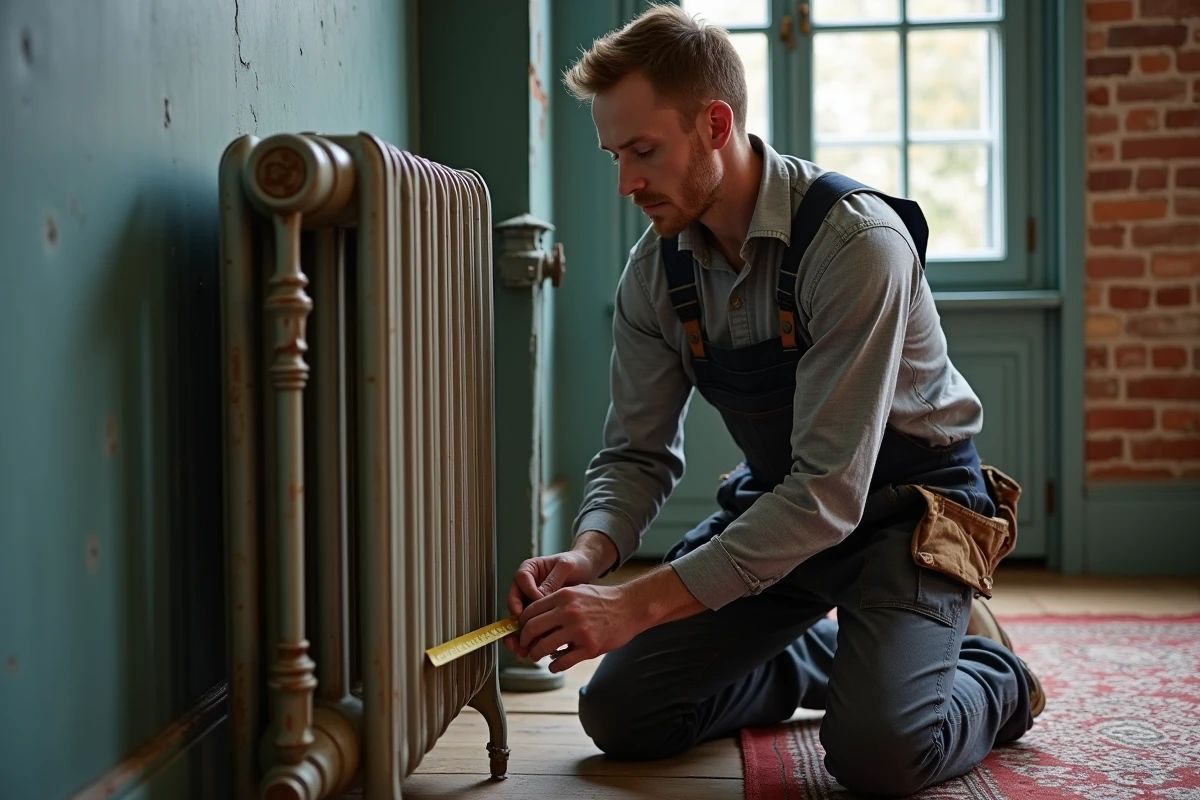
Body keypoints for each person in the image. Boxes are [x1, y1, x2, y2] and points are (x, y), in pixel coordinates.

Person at [503, 4, 1044, 796]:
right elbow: (636, 454)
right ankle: (835, 658)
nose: (626, 183)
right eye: (615, 156)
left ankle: (992, 670)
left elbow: (829, 493)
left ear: (715, 123)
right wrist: (589, 555)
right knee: (623, 714)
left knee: (880, 755)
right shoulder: (655, 272)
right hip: (779, 514)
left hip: (908, 519)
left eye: (644, 151)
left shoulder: (857, 246)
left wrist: (636, 606)